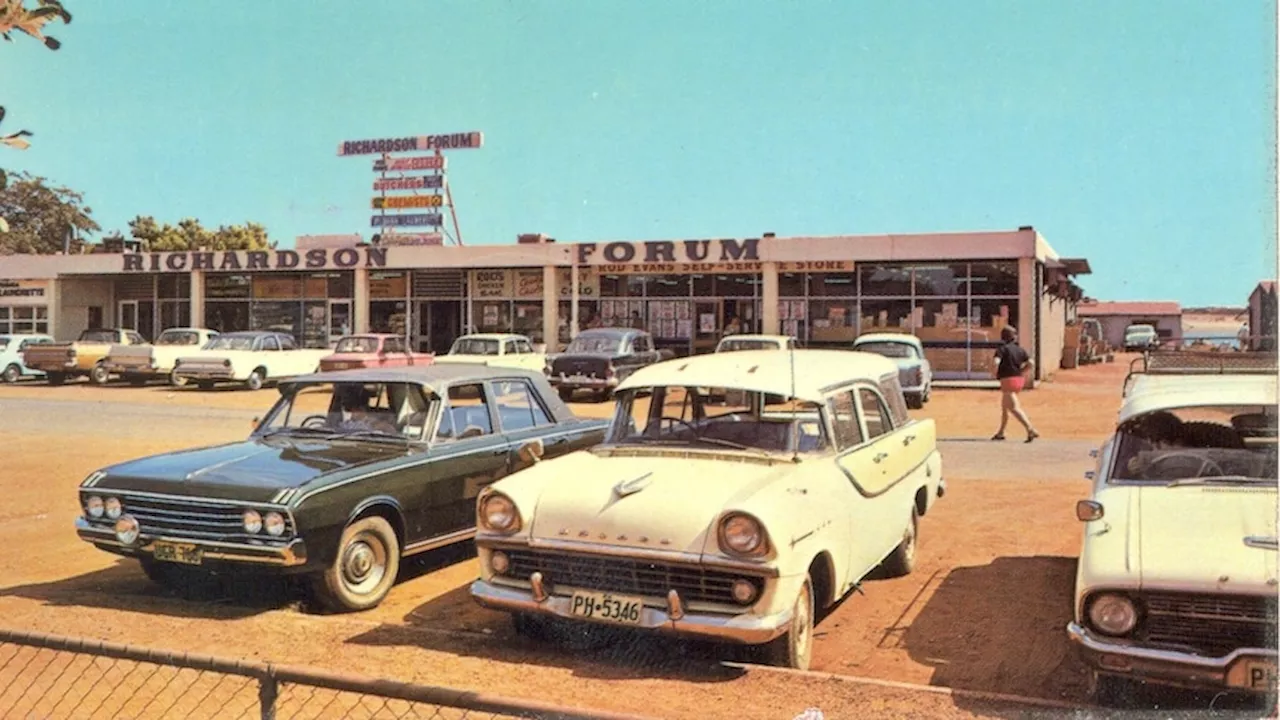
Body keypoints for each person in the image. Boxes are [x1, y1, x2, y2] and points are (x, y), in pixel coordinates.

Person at [991, 326, 1039, 442]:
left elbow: (996, 362)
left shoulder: (1001, 349)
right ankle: (1001, 432)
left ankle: (1030, 429)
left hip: (1007, 380)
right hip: (1018, 379)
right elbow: (1031, 363)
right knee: (1005, 406)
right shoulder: (1020, 350)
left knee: (1013, 407)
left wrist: (994, 373)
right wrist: (1022, 371)